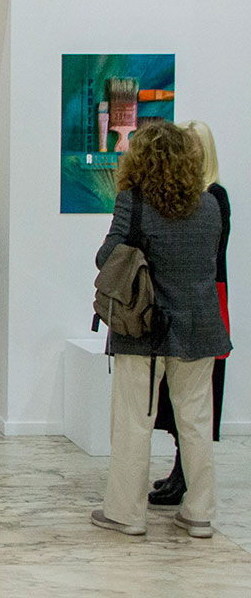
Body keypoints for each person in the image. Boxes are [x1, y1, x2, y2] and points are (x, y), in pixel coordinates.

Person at [89, 122, 230, 539]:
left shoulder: (133, 203)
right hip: (201, 327)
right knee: (196, 421)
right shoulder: (211, 206)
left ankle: (126, 513)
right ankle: (200, 512)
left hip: (145, 328)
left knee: (134, 421)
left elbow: (107, 258)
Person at [148, 120, 232, 507]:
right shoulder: (188, 197)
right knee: (177, 398)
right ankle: (180, 472)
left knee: (198, 399)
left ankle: (187, 476)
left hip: (205, 301)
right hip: (184, 301)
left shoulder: (213, 197)